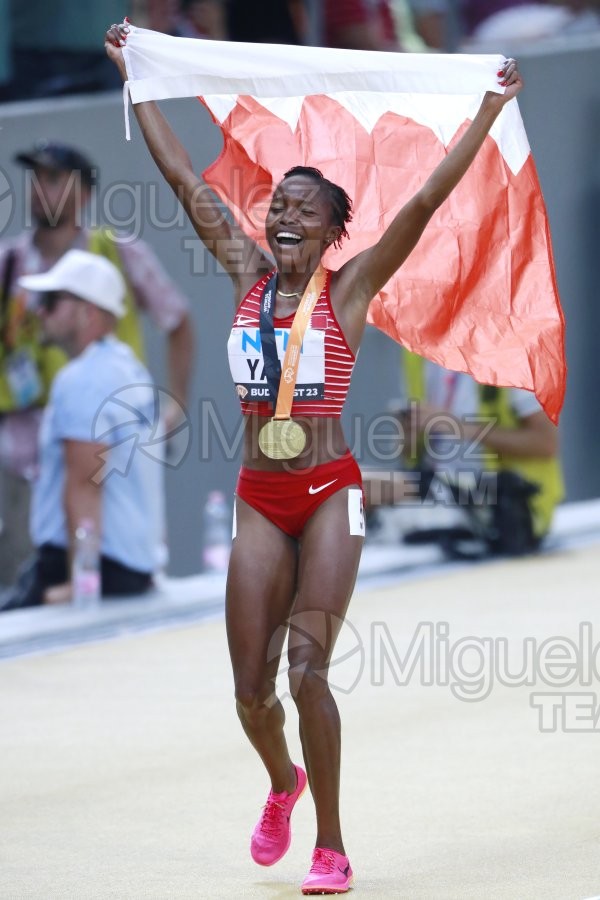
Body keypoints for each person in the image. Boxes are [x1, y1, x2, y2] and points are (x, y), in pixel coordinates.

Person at [106, 20, 522, 894]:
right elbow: (182, 178)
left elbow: (424, 203)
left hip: (331, 491)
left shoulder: (353, 288)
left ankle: (331, 844)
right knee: (251, 694)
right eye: (278, 204)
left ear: (336, 229)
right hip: (259, 495)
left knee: (305, 671)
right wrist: (135, 79)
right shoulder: (241, 270)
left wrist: (487, 110)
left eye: (305, 207)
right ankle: (282, 784)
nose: (285, 212)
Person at [0, 140, 194, 587]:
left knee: (89, 588)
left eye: (53, 178)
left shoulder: (114, 252)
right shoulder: (11, 261)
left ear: (84, 193)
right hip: (23, 457)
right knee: (27, 594)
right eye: (35, 179)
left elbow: (177, 318)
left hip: (99, 447)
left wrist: (176, 405)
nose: (38, 190)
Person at [0, 250, 164, 610]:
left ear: (87, 311)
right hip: (131, 565)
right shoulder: (128, 367)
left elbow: (85, 486)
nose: (39, 311)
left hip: (89, 567)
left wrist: (80, 584)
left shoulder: (83, 380)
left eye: (52, 300)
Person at [363, 353, 564, 556]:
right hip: (440, 484)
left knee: (361, 493)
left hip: (504, 498)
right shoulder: (416, 352)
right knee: (347, 488)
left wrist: (457, 426)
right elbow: (408, 455)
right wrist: (408, 432)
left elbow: (546, 442)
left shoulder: (509, 352)